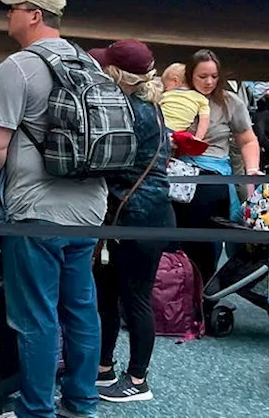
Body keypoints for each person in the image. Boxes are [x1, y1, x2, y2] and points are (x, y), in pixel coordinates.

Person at [0, 0, 103, 418]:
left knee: (35, 317)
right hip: (89, 209)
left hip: (34, 210)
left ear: (34, 15)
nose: (8, 14)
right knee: (80, 309)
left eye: (14, 8)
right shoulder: (88, 62)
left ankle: (36, 409)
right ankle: (81, 401)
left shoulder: (20, 66)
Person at [87, 40, 174, 404]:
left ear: (118, 75)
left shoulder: (127, 110)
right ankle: (104, 369)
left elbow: (107, 161)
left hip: (133, 214)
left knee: (132, 298)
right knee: (112, 294)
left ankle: (138, 380)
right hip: (146, 213)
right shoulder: (152, 108)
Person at [172, 49, 261, 284]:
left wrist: (252, 172)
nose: (209, 82)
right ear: (190, 75)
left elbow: (248, 140)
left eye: (213, 76)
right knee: (176, 244)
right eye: (202, 76)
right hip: (177, 177)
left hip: (213, 178)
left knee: (206, 248)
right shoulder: (175, 98)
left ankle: (203, 300)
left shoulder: (231, 102)